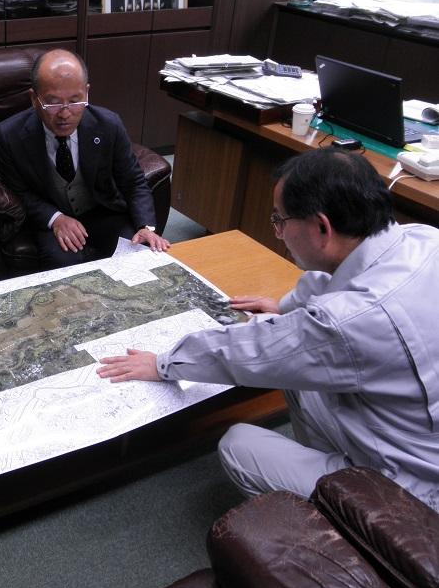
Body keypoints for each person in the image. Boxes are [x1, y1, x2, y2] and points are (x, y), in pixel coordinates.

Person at [97, 147, 439, 511]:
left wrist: (162, 363)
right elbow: (335, 281)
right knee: (299, 373)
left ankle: (343, 518)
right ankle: (325, 463)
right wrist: (285, 307)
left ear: (321, 227)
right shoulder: (423, 238)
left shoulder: (349, 321)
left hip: (405, 489)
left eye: (280, 220)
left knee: (239, 447)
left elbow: (251, 351)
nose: (278, 232)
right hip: (415, 431)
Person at [0, 48, 169, 270]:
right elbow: (19, 192)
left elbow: (133, 182)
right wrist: (55, 218)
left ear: (86, 93)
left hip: (103, 212)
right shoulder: (10, 135)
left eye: (75, 101)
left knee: (137, 256)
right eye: (53, 102)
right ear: (34, 99)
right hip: (54, 217)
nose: (65, 113)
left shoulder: (108, 125)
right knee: (65, 269)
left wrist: (147, 227)